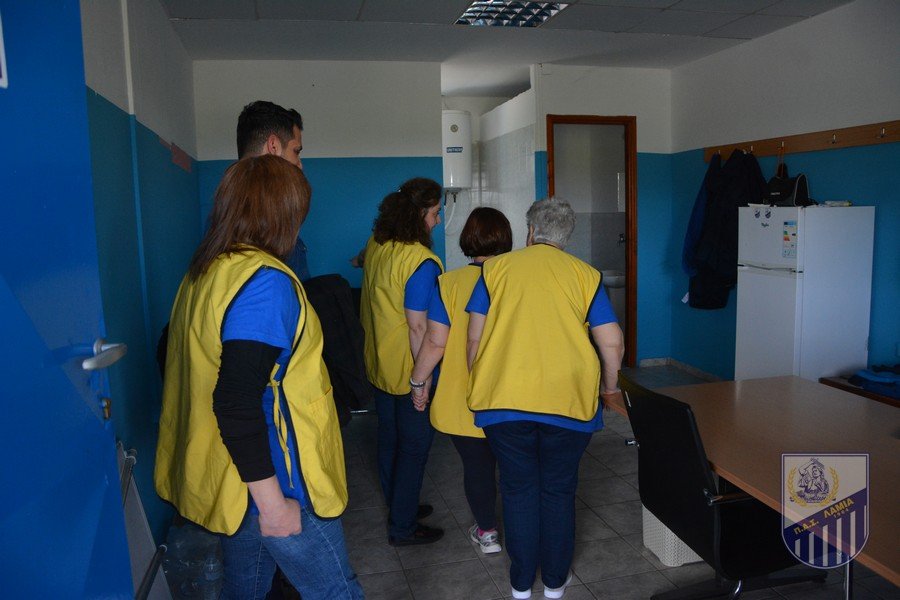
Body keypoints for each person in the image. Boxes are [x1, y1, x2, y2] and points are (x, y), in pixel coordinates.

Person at [155, 155, 363, 599]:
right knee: (336, 591)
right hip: (277, 481)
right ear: (285, 214)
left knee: (245, 589)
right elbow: (234, 399)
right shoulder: (264, 284)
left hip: (238, 479)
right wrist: (274, 505)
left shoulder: (206, 272)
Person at [465, 198, 625, 600]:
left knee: (517, 490)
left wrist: (479, 381)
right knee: (557, 491)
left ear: (531, 231)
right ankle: (554, 584)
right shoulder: (586, 275)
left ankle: (520, 585)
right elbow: (611, 342)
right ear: (566, 237)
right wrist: (609, 388)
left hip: (504, 402)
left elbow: (474, 338)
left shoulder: (495, 270)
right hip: (568, 402)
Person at [409, 207, 512, 555]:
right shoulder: (515, 279)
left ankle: (488, 533)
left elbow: (435, 342)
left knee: (477, 468)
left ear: (468, 239)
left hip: (462, 398)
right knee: (516, 468)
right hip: (511, 396)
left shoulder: (448, 283)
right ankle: (523, 530)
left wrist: (419, 382)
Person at [359, 177, 445, 546]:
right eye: (435, 213)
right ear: (419, 215)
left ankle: (400, 504)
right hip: (408, 368)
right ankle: (403, 526)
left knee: (389, 439)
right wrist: (421, 381)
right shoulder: (420, 262)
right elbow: (418, 328)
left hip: (379, 361)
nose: (437, 221)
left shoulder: (377, 245)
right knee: (413, 448)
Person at [237, 100, 311, 281]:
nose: (299, 164)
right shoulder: (272, 217)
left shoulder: (224, 214)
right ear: (274, 146)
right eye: (296, 151)